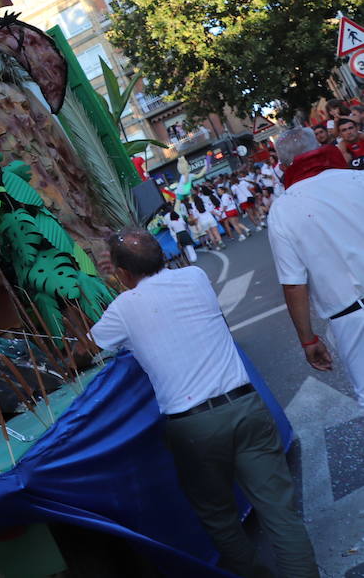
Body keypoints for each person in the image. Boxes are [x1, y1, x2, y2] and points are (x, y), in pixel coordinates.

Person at [88, 228, 318, 578]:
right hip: (245, 406)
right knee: (280, 515)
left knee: (220, 520)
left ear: (120, 274)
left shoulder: (122, 310)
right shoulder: (195, 277)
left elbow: (82, 351)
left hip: (192, 426)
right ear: (162, 255)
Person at [266, 126, 364, 409]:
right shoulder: (358, 179)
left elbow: (294, 283)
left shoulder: (283, 210)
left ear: (283, 165)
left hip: (352, 319)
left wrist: (308, 340)